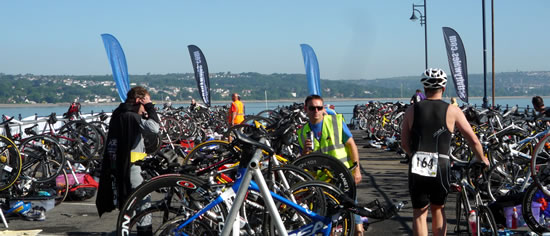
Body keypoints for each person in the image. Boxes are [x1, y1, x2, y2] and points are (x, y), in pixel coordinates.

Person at [401, 68, 489, 236]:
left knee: (419, 213)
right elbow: (473, 140)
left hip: (417, 164)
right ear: (443, 88)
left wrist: (413, 155)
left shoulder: (411, 110)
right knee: (438, 209)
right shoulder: (453, 110)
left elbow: (404, 143)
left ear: (425, 88)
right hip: (441, 165)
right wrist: (482, 158)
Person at [96, 86, 160, 235]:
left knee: (129, 202)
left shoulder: (120, 112)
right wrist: (150, 108)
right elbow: (154, 128)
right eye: (146, 105)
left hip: (121, 163)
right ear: (139, 101)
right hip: (131, 166)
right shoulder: (130, 116)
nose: (146, 110)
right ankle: (144, 232)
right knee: (143, 201)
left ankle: (128, 229)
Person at [297, 94, 364, 235]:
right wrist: (304, 152)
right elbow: (305, 162)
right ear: (306, 109)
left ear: (323, 109)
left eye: (319, 108)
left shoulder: (335, 122)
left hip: (343, 173)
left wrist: (356, 169)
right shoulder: (303, 132)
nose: (316, 111)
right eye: (312, 108)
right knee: (329, 219)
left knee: (353, 213)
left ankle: (359, 231)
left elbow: (352, 145)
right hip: (322, 181)